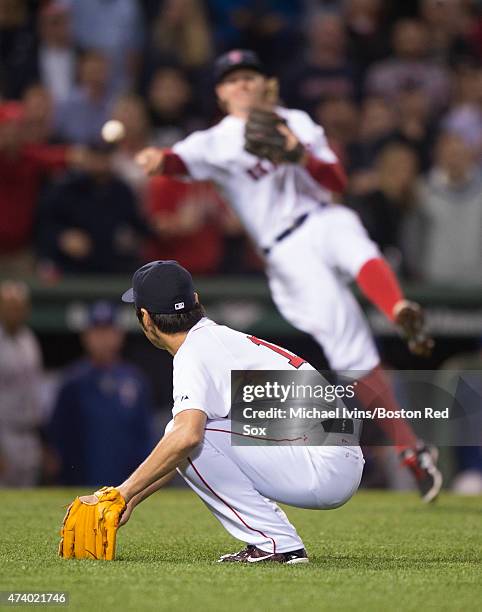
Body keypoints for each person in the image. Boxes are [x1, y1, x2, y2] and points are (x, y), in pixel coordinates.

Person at [135, 50, 442, 502]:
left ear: (265, 84)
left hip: (319, 216)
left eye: (249, 77)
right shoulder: (215, 141)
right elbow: (175, 162)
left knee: (347, 229)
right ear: (220, 93)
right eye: (232, 79)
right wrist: (154, 158)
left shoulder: (295, 121)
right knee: (352, 352)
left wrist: (298, 153)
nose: (241, 84)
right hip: (286, 254)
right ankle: (409, 447)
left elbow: (335, 180)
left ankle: (397, 307)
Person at [110, 260, 363, 563]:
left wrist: (122, 493)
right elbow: (183, 447)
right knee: (186, 434)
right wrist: (129, 499)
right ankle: (275, 542)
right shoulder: (214, 341)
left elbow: (187, 441)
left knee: (185, 434)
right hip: (333, 455)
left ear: (146, 318)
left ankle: (275, 544)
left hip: (322, 462)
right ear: (196, 301)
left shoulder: (195, 352)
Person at [48, 301, 154, 486]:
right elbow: (58, 437)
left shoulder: (135, 380)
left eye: (108, 331)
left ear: (119, 335)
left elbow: (144, 434)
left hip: (127, 482)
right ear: (86, 336)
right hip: (80, 481)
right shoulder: (73, 381)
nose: (103, 338)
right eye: (97, 331)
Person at [0, 281, 44, 487]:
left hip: (29, 432)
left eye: (19, 307)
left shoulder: (29, 339)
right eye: (9, 307)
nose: (14, 313)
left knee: (27, 492)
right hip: (4, 432)